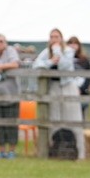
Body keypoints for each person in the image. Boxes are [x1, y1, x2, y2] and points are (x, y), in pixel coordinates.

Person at [33, 28, 85, 159]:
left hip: (68, 86)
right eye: (52, 37)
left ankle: (79, 154)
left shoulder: (68, 51)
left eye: (56, 37)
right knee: (54, 119)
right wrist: (50, 61)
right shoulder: (46, 52)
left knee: (73, 119)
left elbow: (65, 66)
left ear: (61, 39)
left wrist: (57, 52)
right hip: (54, 87)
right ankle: (54, 151)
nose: (54, 40)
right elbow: (36, 65)